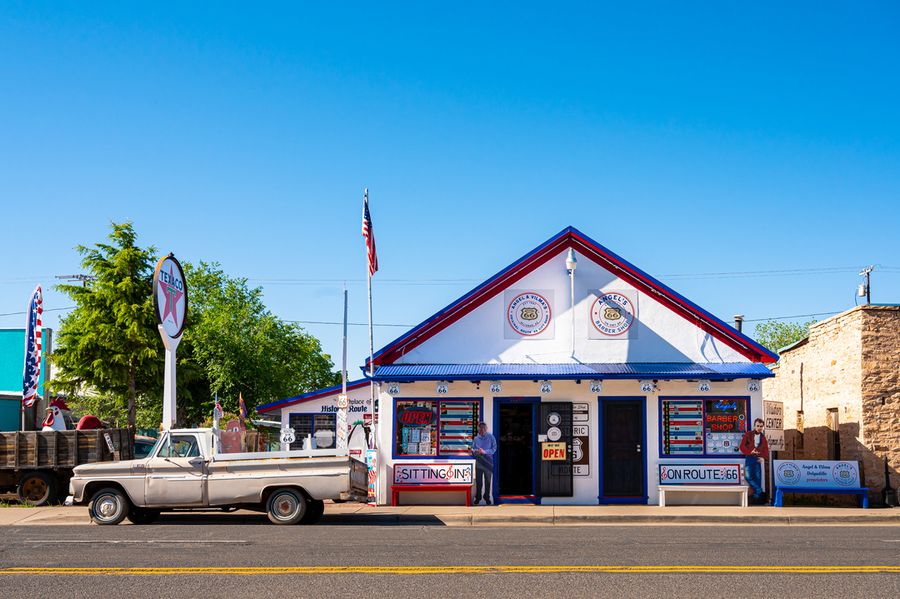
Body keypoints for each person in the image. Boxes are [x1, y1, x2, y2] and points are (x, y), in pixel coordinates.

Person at [739, 418, 770, 504]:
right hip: (749, 457)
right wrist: (749, 452)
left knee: (758, 478)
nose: (759, 428)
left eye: (761, 426)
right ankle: (759, 491)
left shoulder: (763, 437)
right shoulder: (748, 434)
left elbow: (766, 449)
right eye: (758, 426)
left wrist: (763, 457)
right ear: (754, 426)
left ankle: (757, 499)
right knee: (748, 477)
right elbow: (741, 446)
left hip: (758, 459)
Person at [472, 421, 497, 505]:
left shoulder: (491, 437)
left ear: (486, 429)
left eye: (484, 429)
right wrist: (475, 451)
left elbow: (494, 448)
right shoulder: (476, 438)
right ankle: (478, 497)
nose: (482, 431)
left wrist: (485, 451)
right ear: (478, 430)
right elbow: (473, 449)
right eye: (480, 429)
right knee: (479, 481)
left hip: (488, 461)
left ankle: (486, 497)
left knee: (488, 481)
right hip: (479, 461)